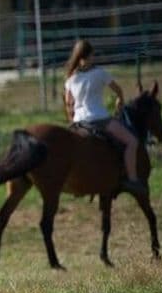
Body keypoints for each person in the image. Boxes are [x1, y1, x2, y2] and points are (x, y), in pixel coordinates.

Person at [63, 39, 146, 196]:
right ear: (89, 56)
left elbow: (69, 104)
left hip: (79, 123)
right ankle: (133, 180)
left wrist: (73, 120)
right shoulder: (100, 73)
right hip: (99, 119)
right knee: (132, 142)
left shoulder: (70, 79)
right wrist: (119, 100)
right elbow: (118, 89)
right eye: (93, 55)